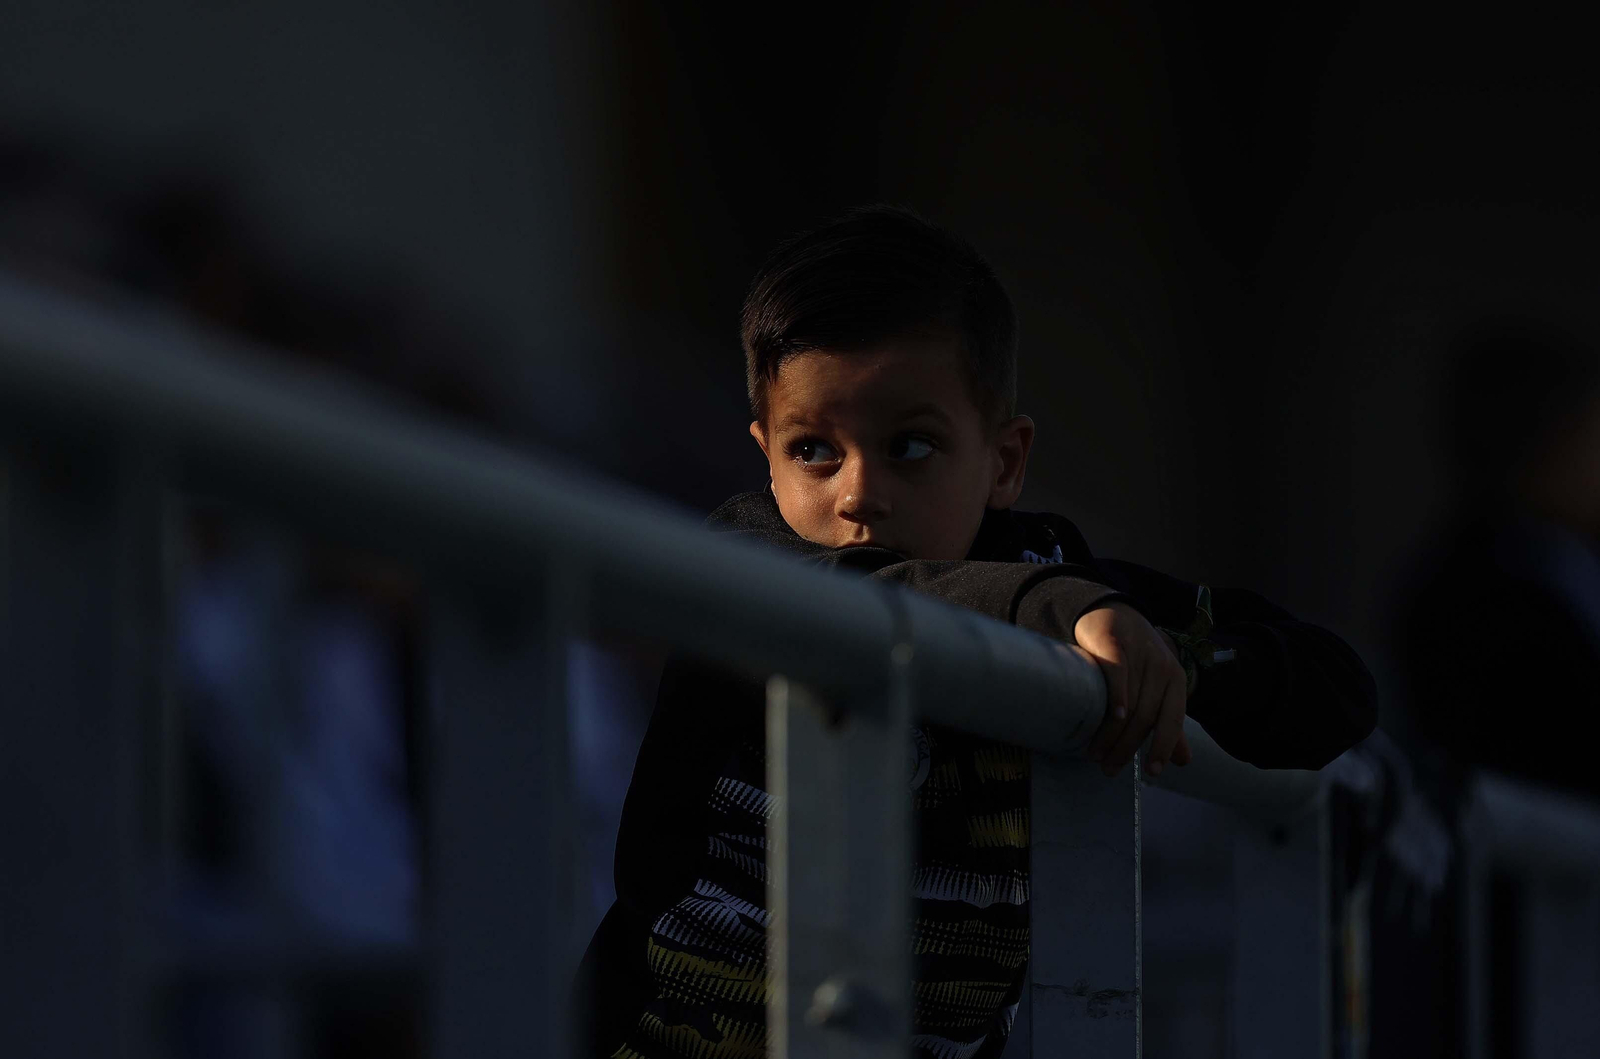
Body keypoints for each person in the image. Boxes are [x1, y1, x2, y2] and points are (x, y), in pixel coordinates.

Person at [578, 205, 1377, 1059]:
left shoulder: (1041, 568)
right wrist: (1065, 610)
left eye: (911, 447)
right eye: (812, 450)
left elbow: (1334, 689)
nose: (856, 494)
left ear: (1004, 461)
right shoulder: (747, 560)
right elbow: (879, 593)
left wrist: (1171, 661)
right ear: (764, 456)